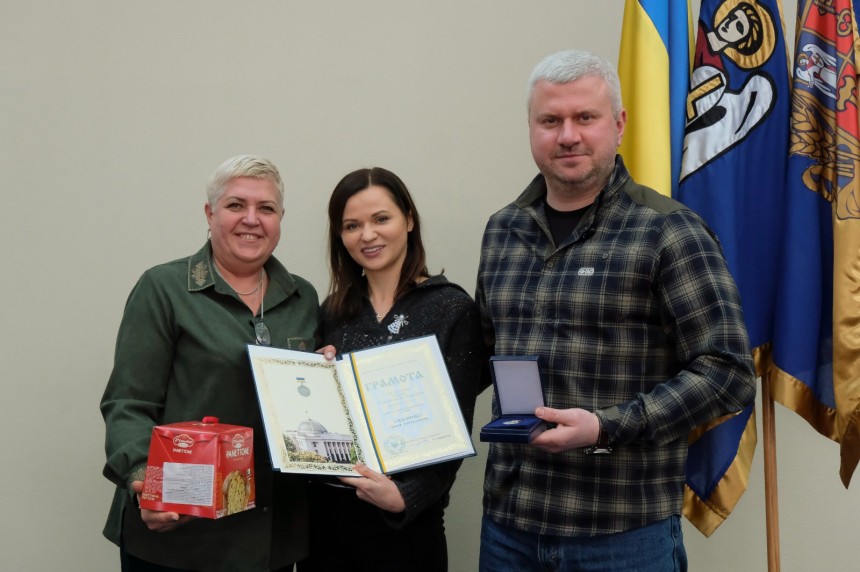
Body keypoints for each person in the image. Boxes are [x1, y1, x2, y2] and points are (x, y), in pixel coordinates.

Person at [475, 50, 757, 571]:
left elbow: (728, 373)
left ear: (620, 124)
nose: (568, 136)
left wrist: (606, 427)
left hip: (623, 532)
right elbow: (481, 352)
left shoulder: (669, 231)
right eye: (550, 121)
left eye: (585, 117)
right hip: (511, 526)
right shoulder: (503, 230)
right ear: (531, 128)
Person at [101, 155, 319, 571]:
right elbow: (127, 404)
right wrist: (146, 483)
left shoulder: (303, 297)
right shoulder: (164, 288)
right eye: (236, 205)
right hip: (180, 535)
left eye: (266, 208)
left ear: (280, 219)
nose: (251, 219)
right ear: (210, 213)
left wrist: (329, 372)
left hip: (271, 540)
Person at [296, 167, 483, 572]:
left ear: (409, 220)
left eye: (381, 219)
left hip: (406, 531)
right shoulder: (331, 312)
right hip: (325, 526)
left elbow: (456, 429)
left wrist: (407, 497)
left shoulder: (451, 309)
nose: (367, 235)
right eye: (352, 225)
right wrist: (316, 379)